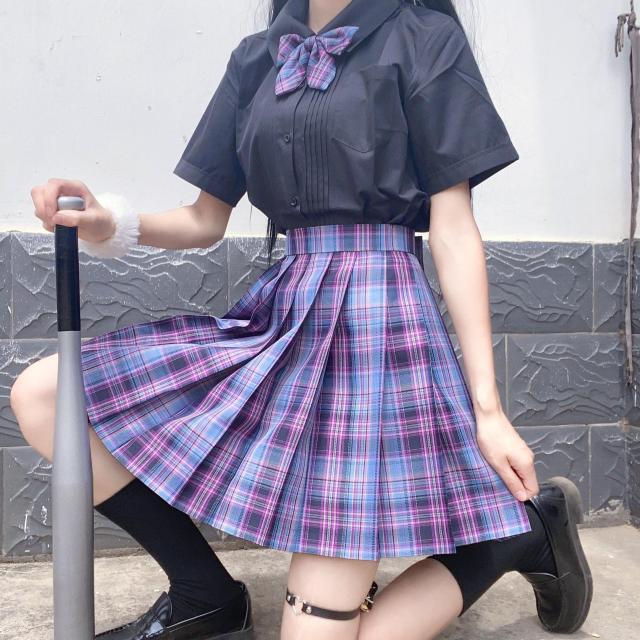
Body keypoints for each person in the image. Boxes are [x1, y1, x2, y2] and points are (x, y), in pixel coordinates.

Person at [11, 1, 593, 639]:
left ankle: (520, 536)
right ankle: (205, 594)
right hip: (287, 313)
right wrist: (110, 223)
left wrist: (489, 411)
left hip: (377, 328)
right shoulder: (257, 58)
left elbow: (453, 229)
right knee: (44, 395)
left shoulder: (424, 38)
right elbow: (204, 218)